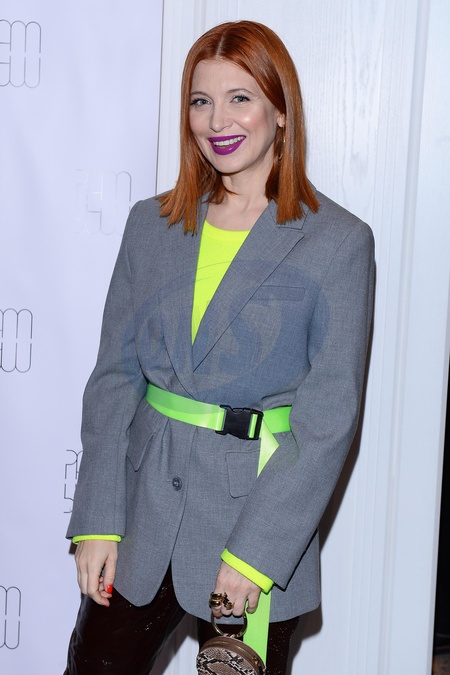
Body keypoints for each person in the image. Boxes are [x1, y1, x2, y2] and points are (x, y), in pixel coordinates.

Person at [64, 20, 375, 675]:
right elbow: (114, 378)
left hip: (252, 530)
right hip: (140, 523)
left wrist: (257, 552)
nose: (217, 120)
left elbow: (328, 419)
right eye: (201, 101)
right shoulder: (150, 225)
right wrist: (97, 518)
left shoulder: (339, 243)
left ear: (280, 111)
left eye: (240, 98)